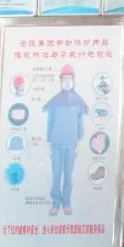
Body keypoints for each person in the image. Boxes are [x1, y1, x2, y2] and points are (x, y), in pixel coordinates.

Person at [42, 65, 88, 217]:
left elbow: (80, 123)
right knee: (56, 174)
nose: (67, 81)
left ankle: (66, 203)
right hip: (55, 143)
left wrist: (80, 142)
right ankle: (56, 203)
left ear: (73, 80)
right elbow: (49, 122)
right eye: (64, 79)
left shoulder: (78, 102)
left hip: (71, 143)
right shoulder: (55, 102)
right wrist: (48, 143)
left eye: (69, 79)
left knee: (68, 174)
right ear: (60, 81)